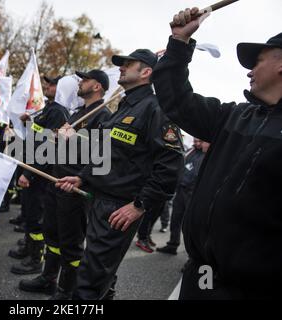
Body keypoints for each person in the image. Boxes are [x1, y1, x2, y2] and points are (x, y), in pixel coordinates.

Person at [152, 7, 282, 299]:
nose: (249, 70)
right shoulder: (234, 116)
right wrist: (179, 43)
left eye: (258, 61)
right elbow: (177, 100)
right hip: (202, 274)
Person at [57, 49, 184, 300]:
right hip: (97, 197)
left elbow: (171, 165)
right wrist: (83, 177)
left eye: (129, 64)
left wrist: (140, 205)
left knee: (89, 282)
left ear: (146, 72)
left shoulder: (156, 109)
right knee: (98, 272)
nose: (122, 68)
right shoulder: (125, 105)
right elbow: (106, 152)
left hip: (118, 207)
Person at [19, 70, 112, 299]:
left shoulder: (103, 115)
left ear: (98, 86)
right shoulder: (78, 112)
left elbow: (102, 157)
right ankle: (48, 278)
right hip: (56, 182)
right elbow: (59, 145)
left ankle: (66, 290)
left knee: (71, 243)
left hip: (74, 189)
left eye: (86, 79)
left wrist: (74, 141)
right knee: (53, 235)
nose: (81, 82)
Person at [10, 75, 69, 275]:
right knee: (28, 212)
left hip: (40, 176)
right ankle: (28, 248)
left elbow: (47, 147)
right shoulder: (47, 109)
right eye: (48, 83)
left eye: (52, 84)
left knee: (36, 218)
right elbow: (36, 136)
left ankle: (36, 259)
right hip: (30, 168)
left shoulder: (59, 112)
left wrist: (29, 173)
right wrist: (28, 123)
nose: (47, 86)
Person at [157, 138, 209, 255]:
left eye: (200, 141)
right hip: (181, 191)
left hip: (193, 194)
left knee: (189, 226)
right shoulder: (190, 151)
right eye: (195, 141)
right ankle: (172, 244)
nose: (197, 143)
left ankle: (191, 256)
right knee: (175, 219)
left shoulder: (207, 155)